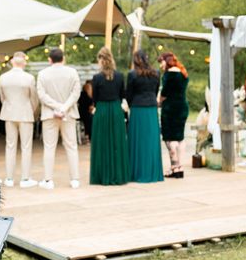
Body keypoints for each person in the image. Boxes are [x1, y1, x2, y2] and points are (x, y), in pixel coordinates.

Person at [36, 48, 82, 189]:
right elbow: (76, 93)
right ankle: (75, 180)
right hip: (68, 114)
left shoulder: (42, 74)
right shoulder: (72, 72)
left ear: (50, 59)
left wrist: (57, 107)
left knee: (49, 147)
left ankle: (48, 181)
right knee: (72, 146)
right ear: (63, 58)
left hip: (50, 114)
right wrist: (64, 107)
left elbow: (41, 95)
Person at [90, 47, 130, 185]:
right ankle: (118, 174)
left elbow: (94, 98)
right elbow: (122, 95)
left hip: (101, 110)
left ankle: (102, 175)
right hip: (115, 110)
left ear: (101, 60)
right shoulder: (119, 76)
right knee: (116, 143)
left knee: (102, 143)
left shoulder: (96, 78)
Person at [0, 52, 39, 188]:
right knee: (26, 147)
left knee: (10, 146)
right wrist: (32, 110)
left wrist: (9, 107)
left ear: (12, 62)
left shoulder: (3, 77)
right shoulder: (29, 78)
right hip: (25, 113)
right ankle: (25, 179)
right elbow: (34, 98)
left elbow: (2, 97)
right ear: (24, 63)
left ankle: (9, 178)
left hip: (9, 113)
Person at [127, 50, 164, 183]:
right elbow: (155, 91)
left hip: (137, 108)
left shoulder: (132, 75)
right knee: (151, 141)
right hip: (151, 109)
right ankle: (152, 171)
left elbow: (129, 94)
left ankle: (136, 172)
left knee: (138, 140)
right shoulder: (156, 74)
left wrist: (132, 104)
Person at [158, 52, 189, 178]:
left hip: (170, 108)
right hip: (182, 107)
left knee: (170, 138)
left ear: (167, 61)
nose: (160, 65)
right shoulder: (183, 73)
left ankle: (174, 167)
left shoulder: (168, 75)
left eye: (161, 62)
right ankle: (180, 167)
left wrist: (159, 101)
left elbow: (164, 93)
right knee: (180, 138)